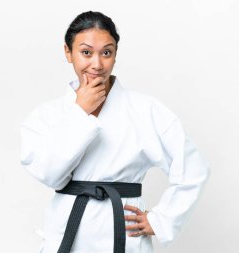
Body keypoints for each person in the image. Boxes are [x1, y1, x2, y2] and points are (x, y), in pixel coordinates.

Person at [20, 11, 210, 253]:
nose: (97, 64)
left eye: (106, 53)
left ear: (115, 55)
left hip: (122, 232)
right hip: (67, 230)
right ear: (68, 53)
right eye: (86, 52)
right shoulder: (46, 116)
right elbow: (50, 174)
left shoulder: (145, 110)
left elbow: (194, 168)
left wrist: (162, 219)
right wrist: (80, 113)